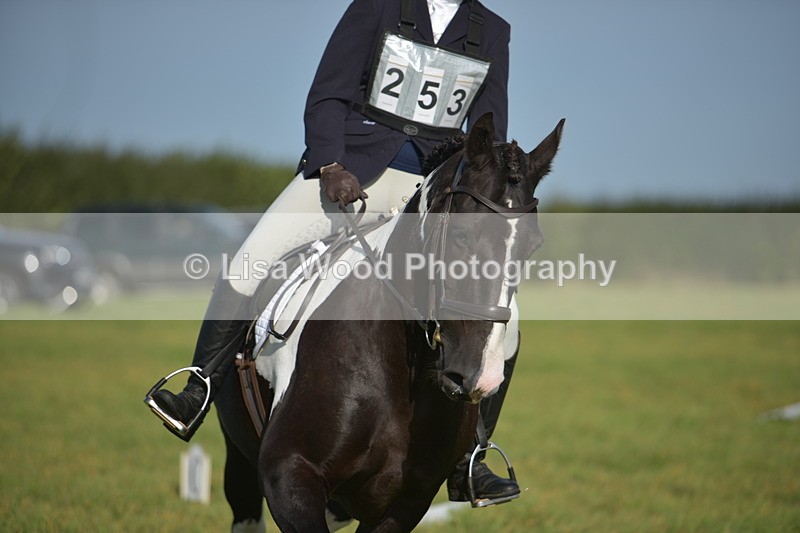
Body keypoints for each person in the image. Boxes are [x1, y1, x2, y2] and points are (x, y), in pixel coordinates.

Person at [146, 0, 520, 504]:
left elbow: (487, 131)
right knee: (251, 260)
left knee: (508, 315)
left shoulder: (492, 31)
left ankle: (472, 456)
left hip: (433, 195)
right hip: (354, 173)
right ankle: (198, 386)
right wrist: (328, 165)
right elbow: (327, 93)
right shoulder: (376, 6)